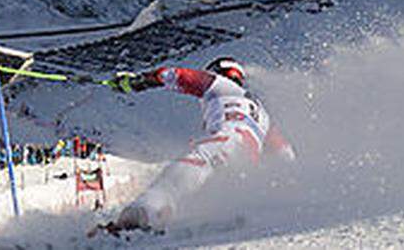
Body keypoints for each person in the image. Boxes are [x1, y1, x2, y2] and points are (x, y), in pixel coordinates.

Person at [106, 56, 295, 232]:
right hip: (246, 165)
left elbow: (178, 76)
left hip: (225, 142)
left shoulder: (223, 85)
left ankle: (139, 218)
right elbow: (285, 155)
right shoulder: (262, 114)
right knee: (200, 188)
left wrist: (138, 81)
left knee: (174, 180)